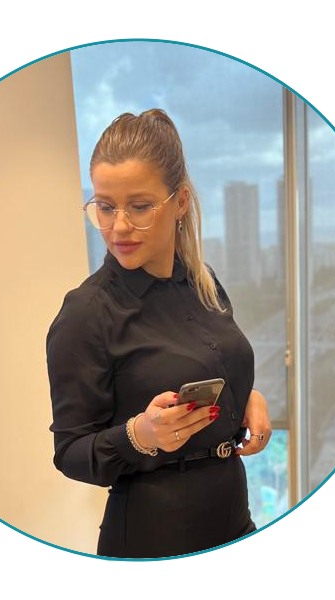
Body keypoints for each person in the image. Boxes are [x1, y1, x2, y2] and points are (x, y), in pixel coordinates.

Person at [46, 109, 272, 559]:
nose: (119, 226)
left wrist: (247, 397)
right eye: (105, 207)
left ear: (180, 201)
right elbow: (70, 452)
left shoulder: (202, 282)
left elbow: (211, 366)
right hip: (155, 543)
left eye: (140, 206)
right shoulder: (86, 313)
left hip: (235, 526)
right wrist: (140, 434)